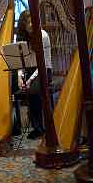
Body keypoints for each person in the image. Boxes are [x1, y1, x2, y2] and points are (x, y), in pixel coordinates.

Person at [16, 10, 52, 140]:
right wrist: (20, 77)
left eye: (32, 21)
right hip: (30, 70)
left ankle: (40, 127)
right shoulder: (21, 38)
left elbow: (43, 63)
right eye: (27, 22)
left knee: (33, 91)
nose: (31, 24)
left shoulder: (43, 36)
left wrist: (29, 80)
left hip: (44, 70)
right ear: (23, 25)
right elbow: (20, 60)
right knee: (17, 86)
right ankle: (25, 126)